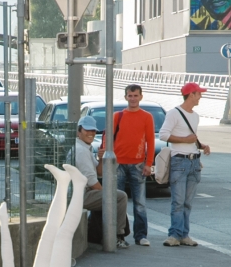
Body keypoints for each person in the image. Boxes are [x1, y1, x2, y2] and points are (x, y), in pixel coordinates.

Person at [98, 84, 154, 246]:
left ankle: (141, 236)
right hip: (118, 165)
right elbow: (106, 137)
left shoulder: (147, 117)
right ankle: (118, 235)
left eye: (136, 95)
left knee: (140, 203)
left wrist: (148, 164)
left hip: (138, 164)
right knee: (117, 201)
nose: (133, 98)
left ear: (141, 97)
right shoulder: (118, 116)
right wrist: (104, 154)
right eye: (130, 95)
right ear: (125, 97)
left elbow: (150, 141)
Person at [158, 82, 211, 247]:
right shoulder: (174, 113)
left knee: (188, 202)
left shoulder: (195, 116)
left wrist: (201, 146)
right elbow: (163, 135)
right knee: (178, 201)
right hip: (179, 161)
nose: (200, 96)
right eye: (199, 93)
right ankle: (174, 235)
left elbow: (191, 139)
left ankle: (184, 234)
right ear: (191, 94)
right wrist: (185, 140)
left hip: (194, 161)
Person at [74, 116, 130, 249]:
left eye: (93, 130)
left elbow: (99, 172)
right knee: (120, 197)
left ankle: (104, 234)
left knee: (113, 195)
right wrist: (108, 195)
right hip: (80, 195)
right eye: (87, 130)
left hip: (83, 192)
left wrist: (100, 159)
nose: (91, 133)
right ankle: (117, 236)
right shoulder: (81, 151)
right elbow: (93, 181)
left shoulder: (85, 147)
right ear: (79, 131)